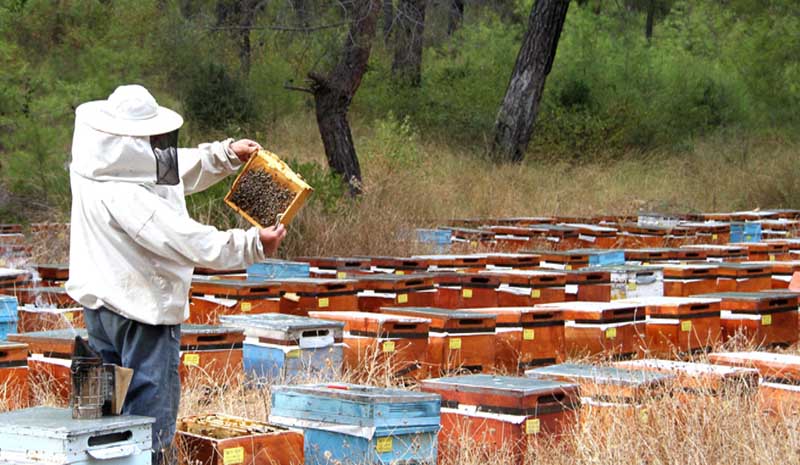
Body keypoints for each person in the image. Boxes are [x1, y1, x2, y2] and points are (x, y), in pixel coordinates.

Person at [65, 84, 286, 464]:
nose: (157, 144)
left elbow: (163, 166)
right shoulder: (126, 196)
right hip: (143, 315)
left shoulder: (91, 161)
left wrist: (224, 155)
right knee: (149, 425)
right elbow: (187, 239)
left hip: (101, 311)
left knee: (103, 426)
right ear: (133, 140)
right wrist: (253, 244)